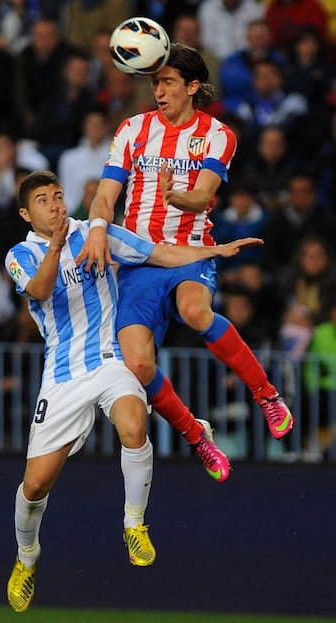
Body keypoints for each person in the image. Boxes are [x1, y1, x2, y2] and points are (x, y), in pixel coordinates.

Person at [5, 170, 262, 612]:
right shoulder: (20, 254)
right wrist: (56, 247)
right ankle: (27, 556)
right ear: (28, 213)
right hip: (63, 376)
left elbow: (157, 253)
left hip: (108, 360)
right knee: (35, 486)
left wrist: (214, 251)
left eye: (59, 195)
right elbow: (41, 289)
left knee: (132, 424)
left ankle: (134, 524)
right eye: (44, 200)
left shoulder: (95, 233)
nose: (56, 204)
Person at [77, 42, 294, 459]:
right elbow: (105, 197)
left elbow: (204, 196)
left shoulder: (217, 135)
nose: (160, 90)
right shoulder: (131, 130)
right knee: (138, 367)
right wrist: (100, 228)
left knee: (195, 311)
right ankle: (196, 435)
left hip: (190, 250)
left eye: (169, 82)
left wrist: (179, 198)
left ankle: (266, 394)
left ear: (193, 86)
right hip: (139, 259)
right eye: (156, 82)